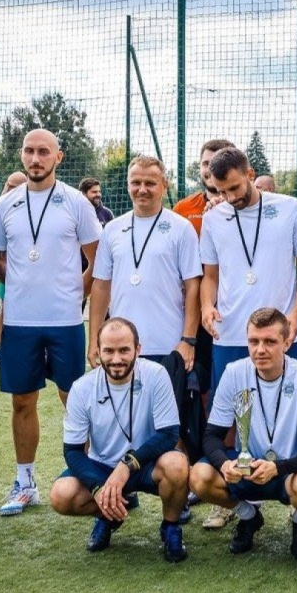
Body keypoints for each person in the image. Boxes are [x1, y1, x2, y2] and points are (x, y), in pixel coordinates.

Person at [0, 129, 102, 516]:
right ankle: (25, 482)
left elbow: (97, 258)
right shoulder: (6, 205)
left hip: (65, 321)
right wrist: (19, 287)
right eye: (29, 152)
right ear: (22, 156)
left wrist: (77, 293)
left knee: (75, 399)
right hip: (20, 323)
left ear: (59, 156)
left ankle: (89, 475)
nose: (35, 159)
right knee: (22, 401)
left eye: (43, 152)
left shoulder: (75, 203)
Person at [189, 308, 297, 558]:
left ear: (287, 343)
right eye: (254, 341)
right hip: (248, 469)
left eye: (269, 341)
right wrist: (225, 465)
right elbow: (211, 436)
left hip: (289, 472)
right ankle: (249, 516)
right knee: (199, 476)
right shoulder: (234, 373)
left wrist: (278, 467)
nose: (260, 349)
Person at [49, 318, 190, 563]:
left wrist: (127, 465)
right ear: (98, 351)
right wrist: (98, 487)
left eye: (124, 350)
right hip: (102, 467)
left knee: (177, 464)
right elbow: (72, 451)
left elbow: (169, 434)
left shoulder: (156, 375)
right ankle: (110, 515)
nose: (116, 359)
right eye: (109, 351)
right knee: (61, 495)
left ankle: (170, 526)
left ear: (138, 349)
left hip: (147, 463)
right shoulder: (81, 388)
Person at [88, 156, 202, 453]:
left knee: (171, 423)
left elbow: (193, 286)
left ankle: (179, 491)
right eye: (136, 183)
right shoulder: (113, 229)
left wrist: (188, 339)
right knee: (122, 421)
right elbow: (101, 285)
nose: (142, 189)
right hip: (121, 347)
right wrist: (94, 341)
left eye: (150, 183)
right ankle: (123, 491)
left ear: (164, 185)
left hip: (168, 344)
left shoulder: (180, 228)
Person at [200, 146, 297, 393]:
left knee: (286, 405)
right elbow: (210, 276)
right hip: (229, 332)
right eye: (222, 191)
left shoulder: (291, 209)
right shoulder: (213, 217)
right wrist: (207, 306)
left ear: (250, 174)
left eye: (234, 188)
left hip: (280, 332)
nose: (230, 198)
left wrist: (295, 314)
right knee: (228, 411)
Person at [173, 138, 233, 529]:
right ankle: (198, 477)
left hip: (232, 319)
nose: (210, 170)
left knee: (226, 397)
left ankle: (230, 484)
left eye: (217, 164)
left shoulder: (243, 205)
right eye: (206, 164)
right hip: (194, 319)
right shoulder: (183, 211)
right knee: (195, 398)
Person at [0, 171, 28, 367]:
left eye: (15, 187)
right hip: (6, 269)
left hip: (31, 270)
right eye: (9, 185)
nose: (10, 190)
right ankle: (1, 349)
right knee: (7, 307)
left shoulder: (31, 209)